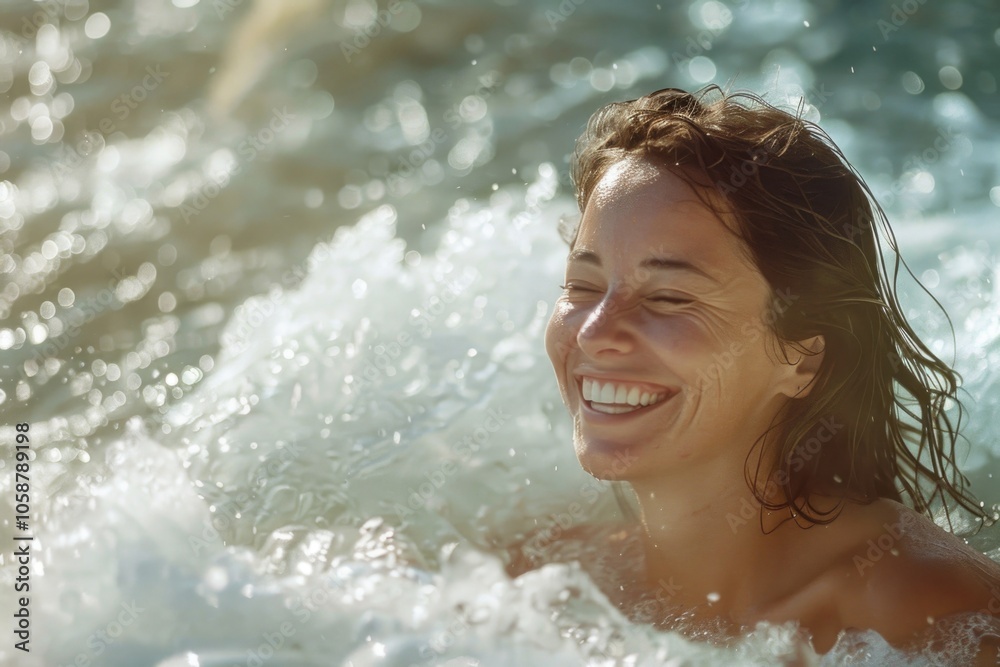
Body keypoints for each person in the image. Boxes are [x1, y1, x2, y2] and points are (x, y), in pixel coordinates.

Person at [518, 85, 1000, 661]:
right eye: (583, 284)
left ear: (801, 358)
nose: (594, 333)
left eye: (669, 297)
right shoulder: (549, 582)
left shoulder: (922, 612)